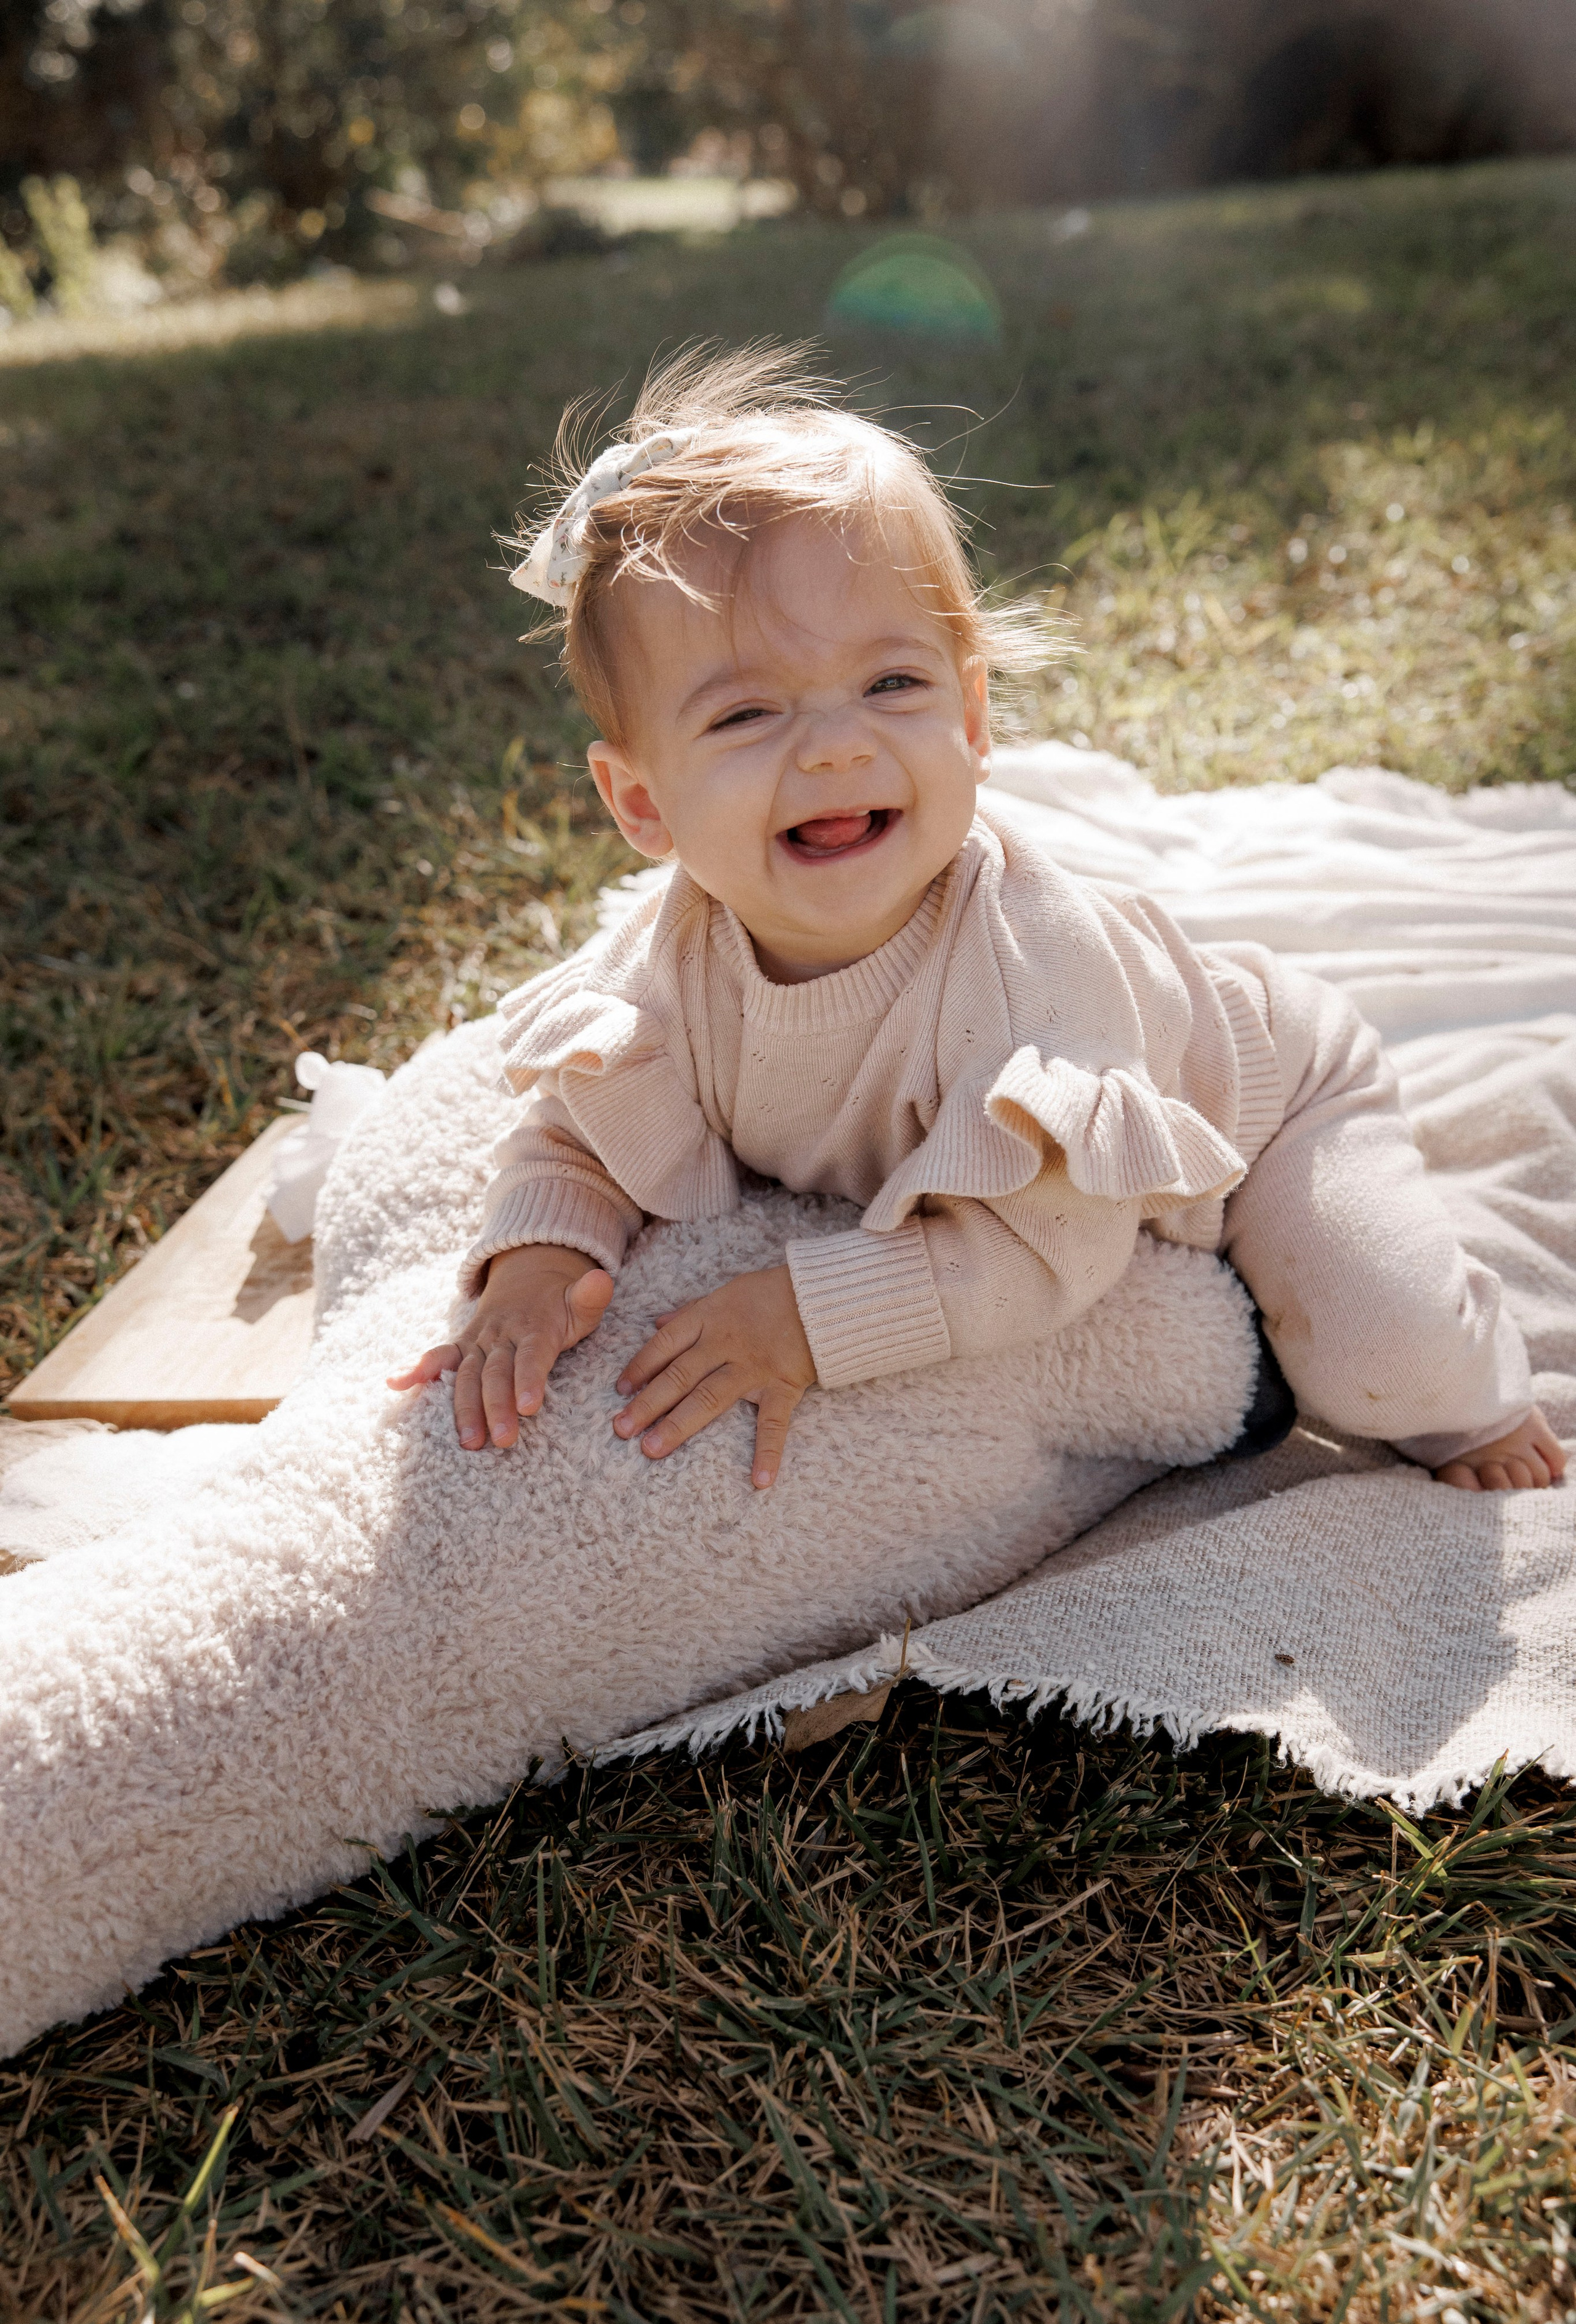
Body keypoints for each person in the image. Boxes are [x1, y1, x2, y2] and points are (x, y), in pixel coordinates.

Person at [388, 344, 1564, 1500]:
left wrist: (807, 1314)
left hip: (1266, 1109)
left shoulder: (1028, 966)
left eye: (893, 685)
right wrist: (538, 1263)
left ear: (974, 718)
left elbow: (1055, 1244)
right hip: (1092, 1170)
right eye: (748, 712)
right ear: (642, 802)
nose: (840, 744)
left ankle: (1486, 1391)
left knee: (1385, 1367)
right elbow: (581, 1132)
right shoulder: (665, 971)